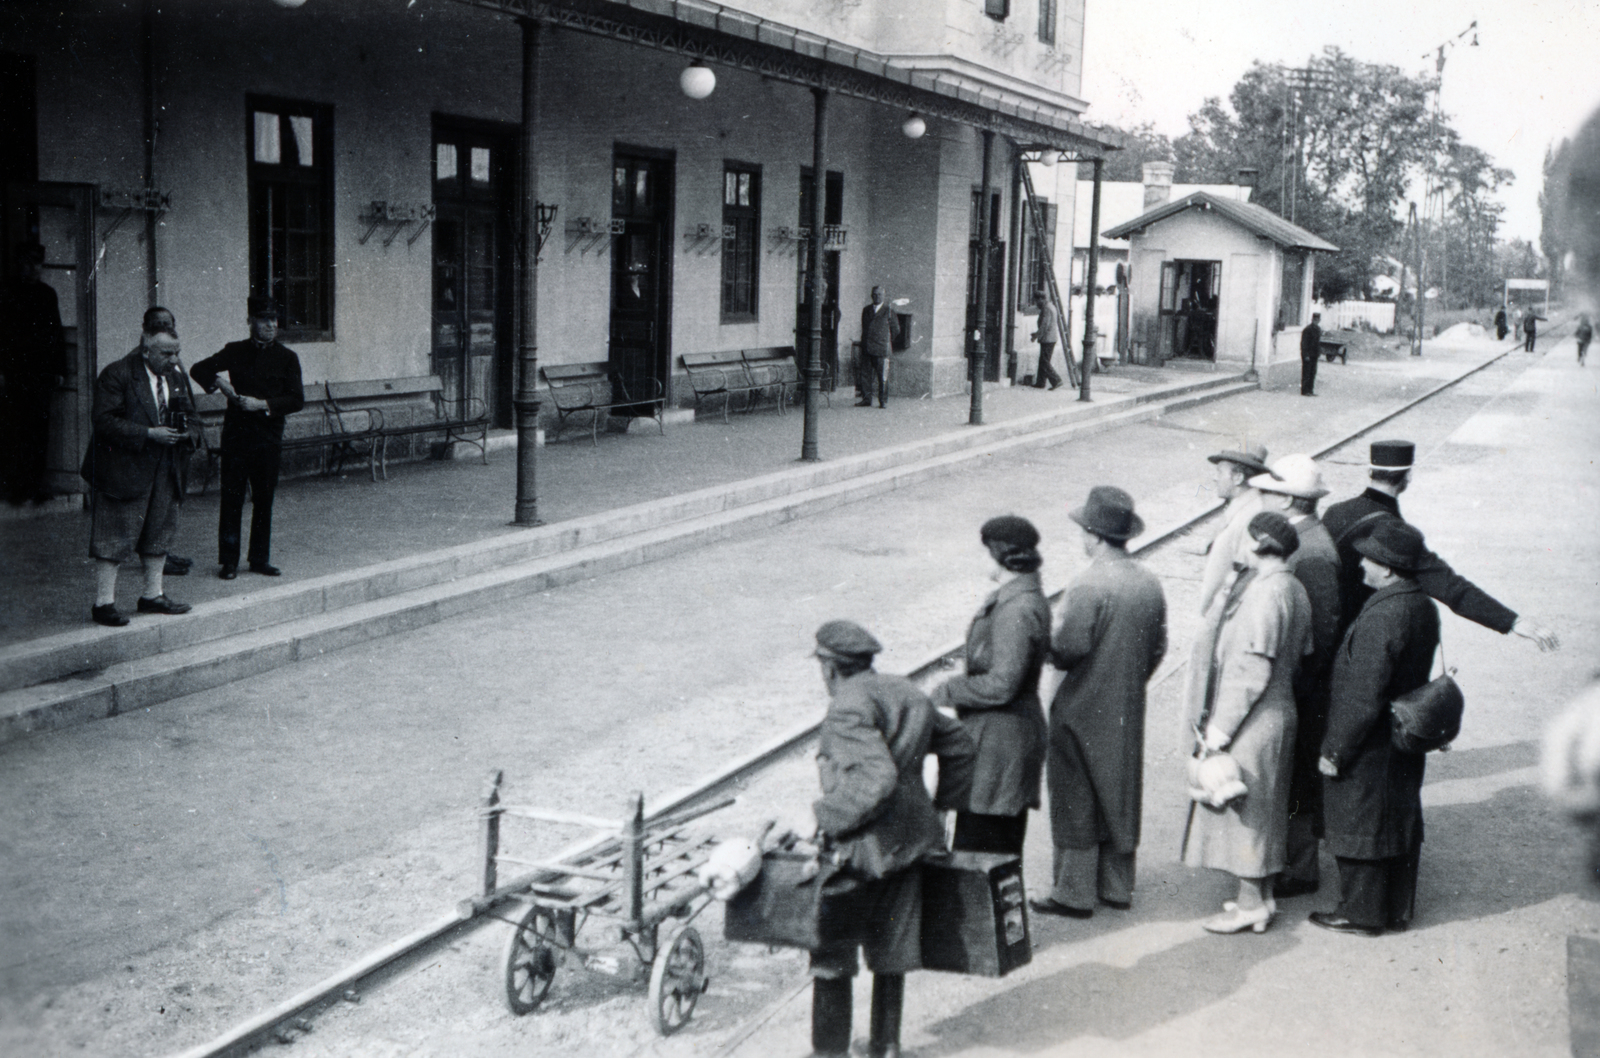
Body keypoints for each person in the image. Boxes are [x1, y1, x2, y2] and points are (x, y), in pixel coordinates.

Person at [797, 620, 976, 1058]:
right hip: (911, 843)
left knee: (832, 956)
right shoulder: (906, 690)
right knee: (892, 948)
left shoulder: (846, 707)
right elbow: (960, 744)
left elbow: (876, 779)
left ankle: (829, 1054)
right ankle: (886, 1048)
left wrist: (824, 818)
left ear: (829, 667)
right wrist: (940, 809)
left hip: (860, 850)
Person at [1032, 486, 1168, 919]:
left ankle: (1073, 892)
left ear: (1092, 535)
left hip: (1080, 705)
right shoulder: (1148, 581)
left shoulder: (1088, 584)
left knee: (1075, 793)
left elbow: (1068, 648)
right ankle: (1116, 886)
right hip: (1127, 703)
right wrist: (1129, 680)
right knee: (1120, 789)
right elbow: (1159, 646)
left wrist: (1045, 644)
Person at [1182, 511, 1313, 933]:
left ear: (1258, 544)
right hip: (1278, 709)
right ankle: (1263, 897)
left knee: (1247, 813)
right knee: (1267, 807)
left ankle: (1250, 905)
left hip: (1254, 719)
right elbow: (1304, 650)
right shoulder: (1293, 587)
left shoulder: (1265, 593)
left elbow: (1250, 674)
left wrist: (1217, 735)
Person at [1312, 520, 1440, 936]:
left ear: (1387, 568)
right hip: (1402, 736)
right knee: (1397, 817)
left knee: (1359, 819)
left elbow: (1362, 695)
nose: (1362, 564)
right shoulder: (1421, 604)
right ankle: (1394, 909)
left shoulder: (1385, 614)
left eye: (1369, 557)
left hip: (1371, 741)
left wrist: (1335, 751)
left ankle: (1361, 913)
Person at [1322, 439, 1558, 652]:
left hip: (1324, 627)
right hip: (1356, 637)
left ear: (1370, 471)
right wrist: (1510, 620)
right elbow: (1449, 586)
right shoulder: (1393, 531)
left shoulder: (1335, 511)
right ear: (1408, 477)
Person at [1247, 454, 1341, 898]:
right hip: (1295, 684)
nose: (1261, 499)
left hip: (1302, 689)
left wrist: (1291, 684)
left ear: (1287, 499)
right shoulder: (1306, 541)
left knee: (1300, 776)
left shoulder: (1314, 553)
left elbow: (1320, 636)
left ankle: (1300, 868)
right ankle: (1290, 860)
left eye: (1268, 492)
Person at [931, 516, 1051, 857]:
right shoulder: (1019, 599)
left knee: (982, 850)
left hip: (1000, 744)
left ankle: (979, 912)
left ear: (999, 555)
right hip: (1001, 740)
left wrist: (949, 690)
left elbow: (1003, 684)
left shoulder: (1016, 609)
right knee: (990, 847)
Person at [80, 329, 203, 626]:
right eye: (167, 354)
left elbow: (193, 415)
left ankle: (152, 595)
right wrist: (148, 433)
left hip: (165, 466)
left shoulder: (174, 377)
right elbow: (104, 420)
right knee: (114, 535)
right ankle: (104, 603)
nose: (174, 360)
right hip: (123, 467)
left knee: (159, 531)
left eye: (177, 353)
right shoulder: (118, 374)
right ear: (145, 351)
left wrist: (188, 434)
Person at [190, 296, 305, 579]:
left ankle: (259, 559)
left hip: (268, 438)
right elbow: (198, 369)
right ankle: (229, 562)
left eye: (274, 319)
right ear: (250, 321)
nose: (270, 324)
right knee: (231, 498)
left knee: (264, 499)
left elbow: (296, 399)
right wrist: (220, 383)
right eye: (264, 319)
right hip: (237, 438)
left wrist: (263, 405)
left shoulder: (288, 357)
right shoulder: (235, 351)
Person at [1, 241, 68, 504]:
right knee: (14, 431)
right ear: (19, 264)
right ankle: (16, 488)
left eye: (37, 263)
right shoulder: (7, 293)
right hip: (15, 373)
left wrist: (59, 368)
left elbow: (56, 332)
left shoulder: (47, 294)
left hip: (40, 375)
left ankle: (35, 485)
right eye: (27, 263)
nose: (32, 269)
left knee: (39, 432)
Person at [140, 307, 195, 579]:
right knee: (152, 506)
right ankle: (151, 557)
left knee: (170, 504)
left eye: (168, 323)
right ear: (146, 332)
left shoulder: (175, 363)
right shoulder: (138, 365)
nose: (163, 327)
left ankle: (163, 553)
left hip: (176, 447)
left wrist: (190, 433)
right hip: (149, 450)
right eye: (156, 325)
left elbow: (186, 403)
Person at [1198, 444, 1272, 614]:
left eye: (1220, 472)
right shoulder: (1245, 506)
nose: (1215, 478)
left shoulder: (1248, 517)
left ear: (1238, 477)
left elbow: (1222, 584)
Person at [857, 286, 900, 408]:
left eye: (880, 294)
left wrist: (885, 340)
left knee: (883, 376)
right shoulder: (866, 310)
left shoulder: (889, 311)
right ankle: (866, 399)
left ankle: (883, 400)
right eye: (874, 294)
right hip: (867, 347)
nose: (877, 297)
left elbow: (896, 330)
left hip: (882, 349)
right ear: (871, 295)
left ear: (884, 296)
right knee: (865, 375)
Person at [1030, 292, 1063, 390]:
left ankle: (1056, 380)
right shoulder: (1050, 306)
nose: (1036, 303)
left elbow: (1045, 325)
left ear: (1041, 299)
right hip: (1049, 338)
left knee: (1044, 361)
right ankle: (1040, 382)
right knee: (1043, 360)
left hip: (1048, 339)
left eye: (1036, 301)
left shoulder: (1047, 308)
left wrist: (1036, 336)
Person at [1300, 311, 1323, 397]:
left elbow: (1318, 342)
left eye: (1318, 320)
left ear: (1319, 320)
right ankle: (1304, 391)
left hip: (1314, 355)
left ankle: (1310, 390)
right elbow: (1304, 343)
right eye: (1315, 319)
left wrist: (1319, 352)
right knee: (1306, 372)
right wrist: (1305, 355)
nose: (1316, 321)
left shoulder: (1318, 329)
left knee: (1313, 373)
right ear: (1312, 319)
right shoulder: (1307, 329)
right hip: (1308, 355)